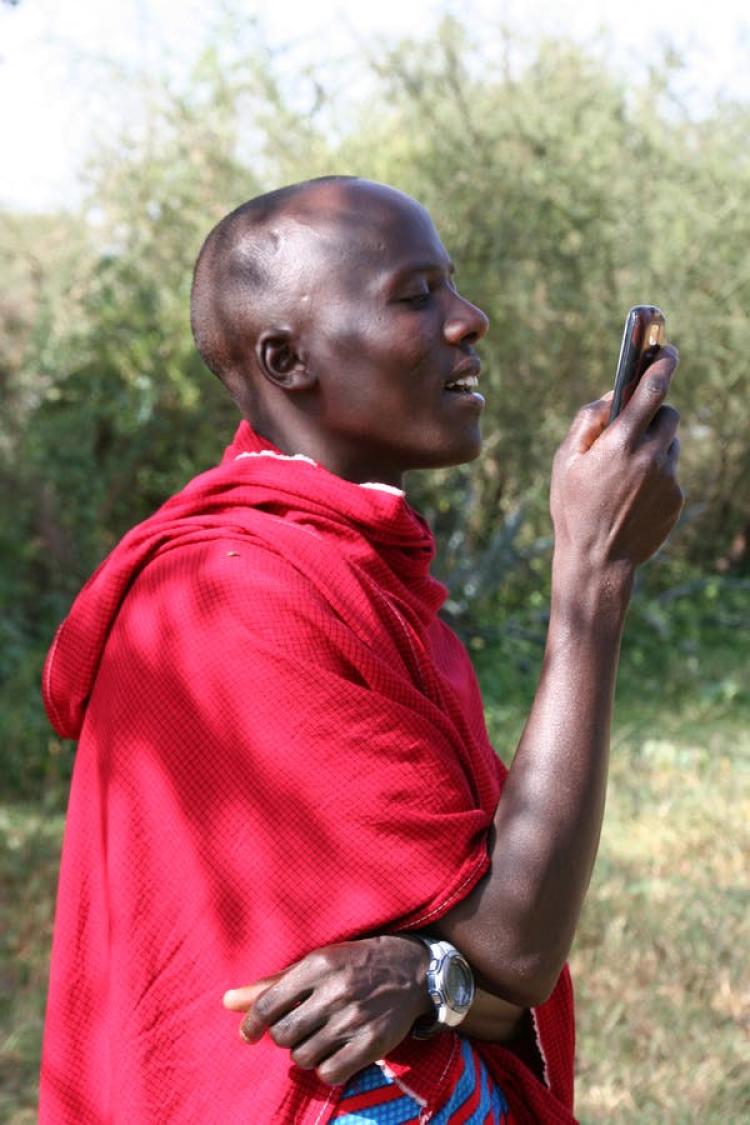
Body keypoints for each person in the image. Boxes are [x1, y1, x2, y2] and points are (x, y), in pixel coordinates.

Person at [39, 175, 683, 1124]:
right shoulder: (232, 591)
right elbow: (514, 944)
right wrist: (593, 571)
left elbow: (483, 955)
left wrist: (425, 969)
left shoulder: (346, 561)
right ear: (288, 357)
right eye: (416, 295)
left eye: (452, 285)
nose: (472, 319)